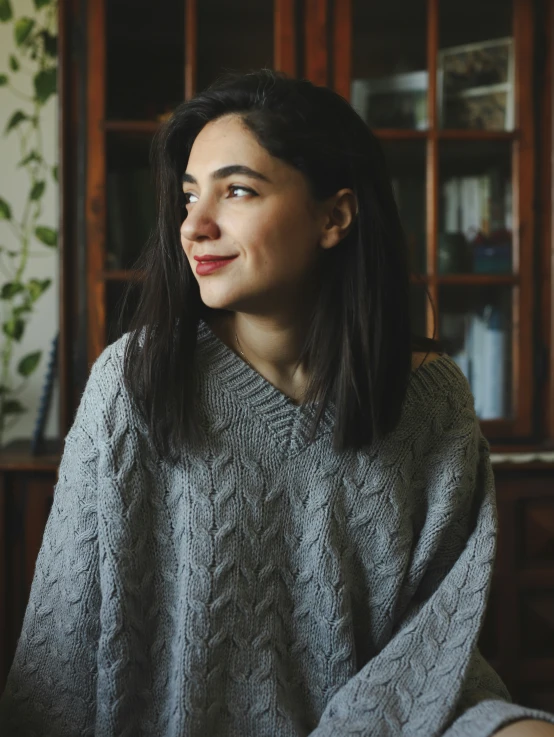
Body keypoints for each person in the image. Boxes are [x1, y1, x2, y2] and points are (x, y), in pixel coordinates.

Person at [1, 69, 553, 737]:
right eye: (187, 196)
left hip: (400, 710)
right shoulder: (135, 379)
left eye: (236, 190)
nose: (195, 225)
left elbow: (437, 631)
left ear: (335, 216)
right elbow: (62, 640)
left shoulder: (432, 398)